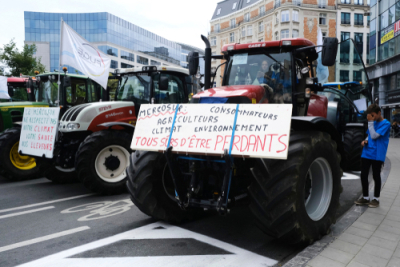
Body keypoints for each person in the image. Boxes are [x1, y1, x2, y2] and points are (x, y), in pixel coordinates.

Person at [355, 104, 391, 208]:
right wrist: (365, 140)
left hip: (377, 153)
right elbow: (370, 135)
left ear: (379, 113)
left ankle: (376, 198)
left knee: (376, 175)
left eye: (373, 115)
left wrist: (370, 122)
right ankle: (365, 197)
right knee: (363, 175)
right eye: (370, 115)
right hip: (367, 152)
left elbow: (375, 136)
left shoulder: (386, 124)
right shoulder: (373, 122)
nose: (372, 117)